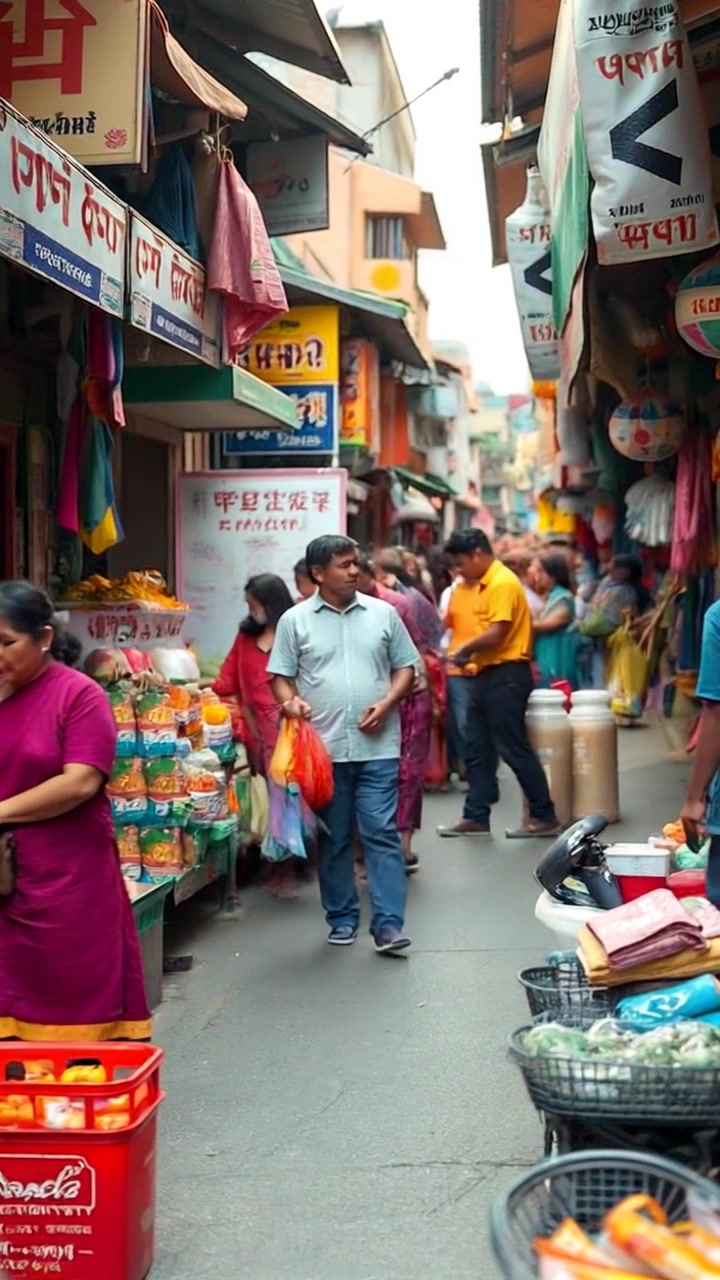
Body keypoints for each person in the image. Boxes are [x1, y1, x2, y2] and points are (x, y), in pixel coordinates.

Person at [0, 581, 150, 1040]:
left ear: (44, 638)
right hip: (5, 877)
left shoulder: (79, 695)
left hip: (68, 878)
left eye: (6, 644)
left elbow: (80, 780)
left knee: (71, 999)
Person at [268, 536, 419, 954]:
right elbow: (279, 675)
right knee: (334, 839)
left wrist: (388, 702)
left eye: (356, 563)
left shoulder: (383, 614)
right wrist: (290, 702)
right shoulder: (294, 621)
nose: (355, 571)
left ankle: (388, 925)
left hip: (379, 748)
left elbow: (408, 668)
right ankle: (342, 917)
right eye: (344, 565)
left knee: (381, 833)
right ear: (318, 573)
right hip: (322, 752)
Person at [437, 530, 561, 840]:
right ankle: (476, 815)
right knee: (477, 747)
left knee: (512, 746)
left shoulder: (502, 582)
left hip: (507, 674)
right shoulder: (472, 585)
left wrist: (464, 651)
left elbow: (498, 632)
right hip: (484, 673)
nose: (458, 569)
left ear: (478, 554)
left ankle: (544, 815)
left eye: (461, 562)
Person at [212, 573, 298, 898]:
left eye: (255, 604)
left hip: (290, 733)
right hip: (256, 733)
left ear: (271, 603)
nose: (250, 611)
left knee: (287, 801)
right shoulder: (245, 637)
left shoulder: (294, 633)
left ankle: (286, 868)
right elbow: (227, 678)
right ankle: (277, 864)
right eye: (248, 605)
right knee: (269, 801)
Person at [357, 556, 432, 874]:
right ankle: (364, 848)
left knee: (407, 773)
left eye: (353, 570)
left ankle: (402, 846)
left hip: (406, 698)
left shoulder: (396, 604)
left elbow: (414, 653)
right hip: (361, 700)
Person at [579, 553, 652, 687]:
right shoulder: (611, 585)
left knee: (605, 679)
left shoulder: (621, 591)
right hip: (611, 642)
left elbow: (609, 619)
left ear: (625, 572)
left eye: (613, 568)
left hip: (613, 642)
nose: (608, 569)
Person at [532, 553, 579, 689]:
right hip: (546, 654)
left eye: (541, 571)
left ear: (553, 574)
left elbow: (547, 625)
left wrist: (518, 621)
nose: (537, 576)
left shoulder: (563, 597)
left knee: (558, 695)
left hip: (558, 655)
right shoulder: (551, 596)